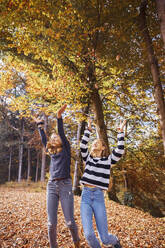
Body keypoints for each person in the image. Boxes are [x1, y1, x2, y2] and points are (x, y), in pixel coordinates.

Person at [33, 104, 80, 248]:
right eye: (51, 138)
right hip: (52, 186)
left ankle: (76, 241)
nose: (53, 139)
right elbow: (43, 140)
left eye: (55, 137)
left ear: (61, 139)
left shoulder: (66, 148)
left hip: (65, 185)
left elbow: (61, 131)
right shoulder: (52, 153)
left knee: (70, 222)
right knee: (51, 223)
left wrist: (59, 116)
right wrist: (40, 125)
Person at [80, 119, 126, 248]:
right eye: (93, 142)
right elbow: (83, 146)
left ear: (103, 147)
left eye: (98, 142)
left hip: (99, 197)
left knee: (105, 239)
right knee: (88, 235)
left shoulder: (107, 161)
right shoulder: (87, 158)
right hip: (86, 197)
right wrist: (88, 129)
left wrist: (121, 132)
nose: (94, 143)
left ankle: (115, 241)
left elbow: (120, 150)